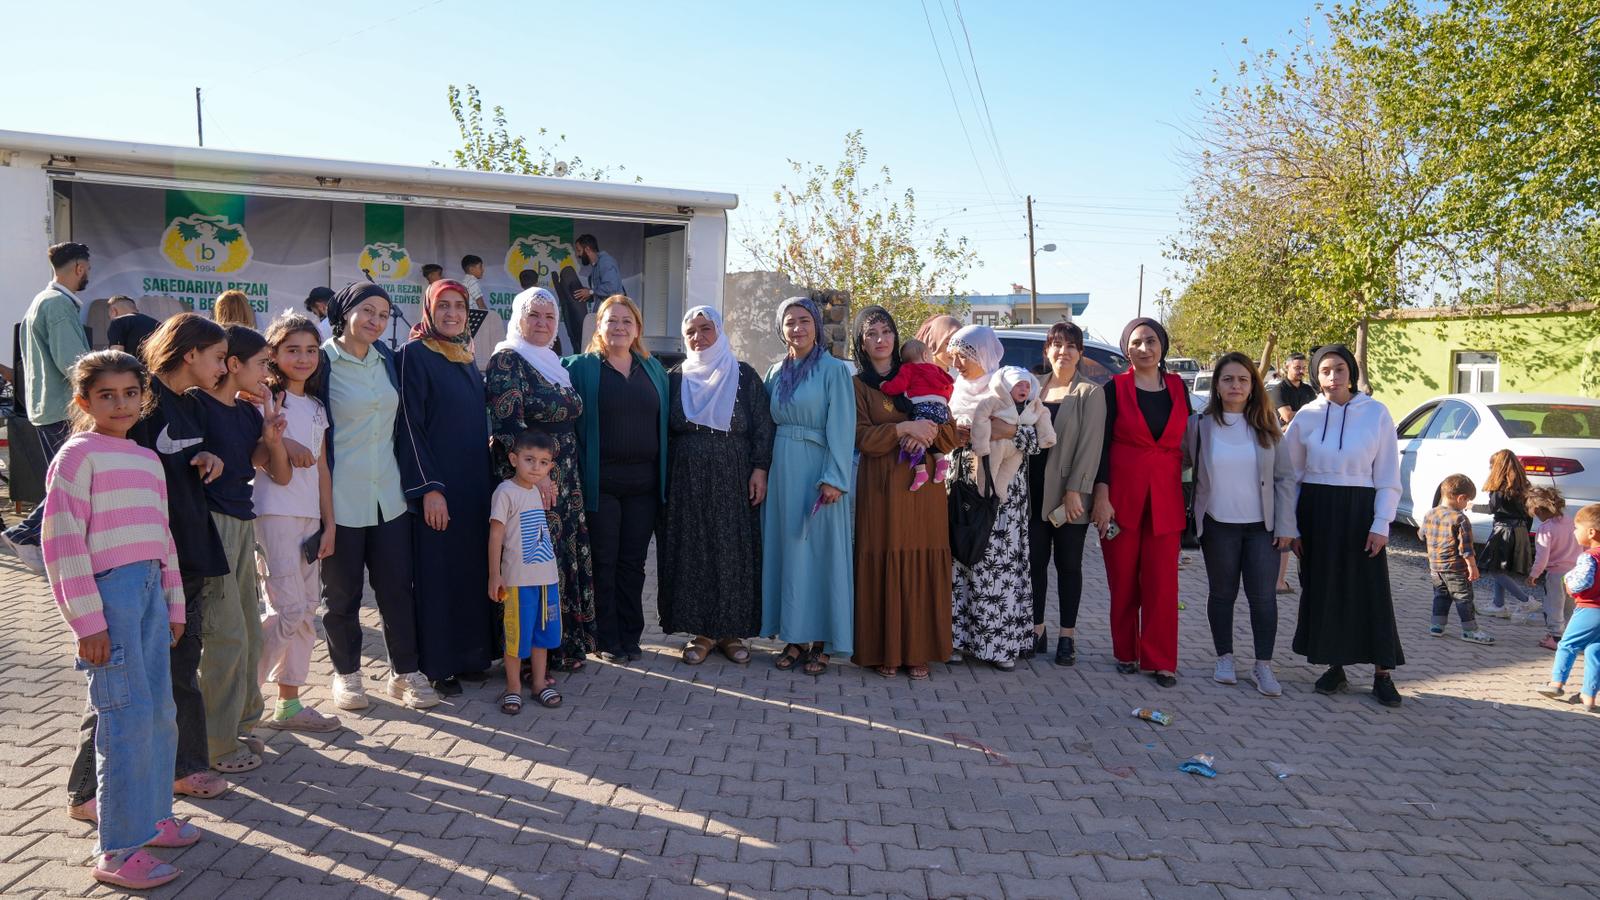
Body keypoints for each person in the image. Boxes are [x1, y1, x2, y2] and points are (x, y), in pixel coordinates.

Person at [41, 350, 203, 889]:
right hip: (109, 599)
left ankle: (154, 819)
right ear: (84, 401)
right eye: (106, 395)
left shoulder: (146, 459)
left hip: (151, 593)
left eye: (131, 393)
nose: (121, 404)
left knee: (159, 713)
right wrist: (87, 623)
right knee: (125, 721)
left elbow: (163, 538)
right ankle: (117, 848)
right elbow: (63, 544)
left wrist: (175, 604)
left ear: (144, 397)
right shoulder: (76, 458)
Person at [315, 282, 440, 711]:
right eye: (367, 311)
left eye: (384, 315)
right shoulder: (320, 362)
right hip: (340, 498)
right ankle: (346, 675)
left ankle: (405, 673)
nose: (376, 321)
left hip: (388, 496)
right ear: (345, 312)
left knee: (396, 590)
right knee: (341, 596)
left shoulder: (388, 358)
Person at [1285, 344, 1405, 707]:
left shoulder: (1376, 413)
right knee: (1325, 589)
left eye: (1339, 369)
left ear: (1350, 372)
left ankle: (1382, 674)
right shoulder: (1306, 416)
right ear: (1315, 376)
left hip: (1360, 511)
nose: (1333, 377)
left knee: (1370, 591)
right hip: (1316, 511)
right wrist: (1292, 526)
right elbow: (1289, 476)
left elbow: (1388, 474)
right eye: (1325, 371)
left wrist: (1381, 522)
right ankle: (1335, 666)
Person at [487, 287, 597, 671]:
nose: (542, 323)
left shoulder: (554, 363)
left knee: (556, 561)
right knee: (529, 564)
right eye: (533, 314)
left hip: (564, 479)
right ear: (518, 317)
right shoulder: (508, 360)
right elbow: (508, 424)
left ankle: (558, 646)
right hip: (531, 481)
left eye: (549, 317)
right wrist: (538, 478)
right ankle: (524, 656)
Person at [658, 305, 774, 666]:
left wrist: (760, 469)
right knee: (694, 550)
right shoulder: (674, 378)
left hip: (734, 473)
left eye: (706, 328)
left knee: (731, 550)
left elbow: (762, 426)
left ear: (720, 332)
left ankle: (730, 632)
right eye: (691, 331)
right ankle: (702, 633)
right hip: (687, 477)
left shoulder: (744, 375)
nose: (698, 337)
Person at [397, 280, 496, 695]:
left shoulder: (464, 355)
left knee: (470, 568)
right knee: (437, 573)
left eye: (459, 306)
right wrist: (429, 489)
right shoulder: (413, 355)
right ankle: (439, 664)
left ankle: (471, 656)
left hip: (473, 483)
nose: (452, 313)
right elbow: (409, 426)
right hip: (439, 485)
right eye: (444, 306)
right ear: (428, 310)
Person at [195, 325, 285, 773]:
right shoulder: (196, 406)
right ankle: (217, 744)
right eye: (263, 363)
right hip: (211, 529)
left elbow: (267, 466)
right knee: (225, 635)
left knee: (249, 629)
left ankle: (240, 725)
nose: (268, 372)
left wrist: (271, 434)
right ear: (233, 364)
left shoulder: (248, 413)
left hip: (241, 526)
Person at [851, 306, 959, 678]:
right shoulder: (859, 385)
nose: (880, 339)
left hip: (923, 491)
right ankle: (885, 650)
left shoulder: (919, 372)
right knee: (884, 558)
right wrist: (903, 429)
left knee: (920, 559)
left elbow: (949, 431)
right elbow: (860, 436)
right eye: (871, 334)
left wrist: (929, 430)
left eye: (886, 331)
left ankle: (918, 650)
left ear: (896, 336)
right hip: (881, 488)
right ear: (861, 343)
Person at [565, 295, 669, 663]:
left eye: (627, 321)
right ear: (599, 327)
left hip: (643, 486)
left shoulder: (654, 370)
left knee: (634, 564)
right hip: (601, 484)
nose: (620, 327)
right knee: (604, 561)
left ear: (638, 328)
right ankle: (606, 638)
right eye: (612, 320)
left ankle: (631, 634)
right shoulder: (580, 368)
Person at [1188, 353, 1300, 695]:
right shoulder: (1199, 426)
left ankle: (1263, 666)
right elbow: (1178, 464)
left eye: (1242, 379)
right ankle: (1224, 657)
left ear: (1253, 386)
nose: (1235, 385)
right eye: (1228, 379)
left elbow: (1285, 478)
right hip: (1217, 525)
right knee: (1222, 594)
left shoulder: (1268, 426)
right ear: (1217, 386)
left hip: (1262, 529)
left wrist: (1286, 526)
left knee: (1263, 598)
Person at [1090, 318, 1190, 687]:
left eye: (1151, 341)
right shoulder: (1113, 389)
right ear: (1125, 349)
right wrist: (1101, 496)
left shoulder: (1178, 388)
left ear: (1162, 346)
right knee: (1123, 580)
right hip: (1121, 497)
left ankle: (1161, 660)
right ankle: (1126, 652)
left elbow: (1190, 442)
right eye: (1136, 342)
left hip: (1166, 498)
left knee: (1162, 584)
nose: (1144, 348)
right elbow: (1100, 446)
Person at [253, 314, 340, 732]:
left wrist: (330, 524)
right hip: (274, 513)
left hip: (309, 518)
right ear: (273, 353)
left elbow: (322, 469)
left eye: (310, 350)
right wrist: (282, 441)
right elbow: (255, 454)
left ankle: (288, 704)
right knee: (286, 610)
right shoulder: (262, 399)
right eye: (293, 350)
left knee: (305, 611)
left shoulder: (318, 406)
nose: (303, 358)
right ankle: (240, 699)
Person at [762, 296, 856, 675]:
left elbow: (843, 426)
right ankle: (795, 636)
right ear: (781, 328)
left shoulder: (834, 370)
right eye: (790, 322)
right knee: (790, 553)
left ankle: (821, 639)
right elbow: (765, 426)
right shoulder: (774, 372)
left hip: (818, 471)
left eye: (804, 320)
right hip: (782, 470)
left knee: (819, 554)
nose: (797, 328)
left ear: (816, 325)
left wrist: (834, 477)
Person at [947, 325, 1041, 671]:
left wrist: (1007, 430)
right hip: (962, 486)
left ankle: (998, 646)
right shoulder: (954, 390)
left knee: (995, 567)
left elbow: (1035, 439)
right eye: (954, 355)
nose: (956, 362)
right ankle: (958, 641)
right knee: (961, 560)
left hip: (1001, 496)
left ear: (983, 355)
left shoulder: (1007, 387)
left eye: (964, 355)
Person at [3, 241, 93, 572]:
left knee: (67, 482)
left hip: (49, 408)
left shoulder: (43, 301)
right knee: (70, 483)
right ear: (79, 268)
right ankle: (25, 534)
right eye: (88, 269)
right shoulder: (56, 305)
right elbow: (74, 364)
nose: (88, 275)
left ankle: (36, 539)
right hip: (64, 410)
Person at [1028, 322, 1105, 667]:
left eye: (1072, 345)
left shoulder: (1090, 392)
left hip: (1068, 495)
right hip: (1032, 492)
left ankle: (1067, 636)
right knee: (1035, 564)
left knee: (1068, 565)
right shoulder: (1033, 387)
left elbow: (1091, 446)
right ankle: (1037, 630)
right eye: (1057, 344)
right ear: (1047, 351)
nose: (1064, 351)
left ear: (1080, 353)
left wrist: (1077, 490)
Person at [490, 430, 565, 714]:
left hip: (546, 579)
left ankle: (538, 684)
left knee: (541, 635)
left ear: (550, 467)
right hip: (518, 582)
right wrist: (494, 575)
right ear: (513, 459)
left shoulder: (536, 491)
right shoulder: (505, 492)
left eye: (543, 462)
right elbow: (495, 536)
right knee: (516, 637)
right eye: (529, 459)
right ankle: (513, 688)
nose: (536, 467)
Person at [1538, 503, 1600, 710]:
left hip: (1589, 609)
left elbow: (1582, 582)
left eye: (1577, 528)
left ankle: (1556, 683)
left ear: (1591, 532)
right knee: (1595, 652)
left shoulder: (1589, 556)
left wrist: (1568, 581)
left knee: (1567, 644)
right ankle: (1589, 696)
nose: (1574, 532)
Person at [1422, 474, 1493, 644]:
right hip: (1456, 568)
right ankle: (1470, 630)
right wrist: (1472, 567)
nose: (1466, 505)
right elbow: (1466, 548)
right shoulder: (1460, 519)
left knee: (1441, 595)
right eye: (1467, 501)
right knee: (1463, 598)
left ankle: (1437, 626)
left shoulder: (1430, 513)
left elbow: (1421, 535)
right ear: (1461, 498)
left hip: (1435, 567)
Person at [876, 337, 954, 490]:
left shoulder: (909, 369)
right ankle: (940, 461)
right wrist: (942, 400)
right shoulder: (938, 370)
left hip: (922, 407)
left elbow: (898, 386)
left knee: (915, 436)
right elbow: (950, 386)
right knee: (929, 437)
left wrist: (884, 385)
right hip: (942, 410)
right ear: (925, 355)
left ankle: (920, 471)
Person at [968, 366, 1055, 501]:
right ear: (1007, 387)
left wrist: (1047, 436)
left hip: (1016, 450)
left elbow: (1044, 414)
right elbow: (980, 418)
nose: (1024, 389)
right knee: (989, 468)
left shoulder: (1032, 405)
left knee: (1007, 472)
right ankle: (985, 492)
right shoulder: (994, 401)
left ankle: (1000, 493)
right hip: (996, 445)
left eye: (1027, 386)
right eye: (1019, 385)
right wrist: (981, 444)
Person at [1269, 352, 1314, 593]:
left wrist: (1300, 416)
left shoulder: (1308, 390)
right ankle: (1277, 579)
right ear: (1286, 367)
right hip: (1283, 455)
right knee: (1285, 516)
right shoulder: (1278, 390)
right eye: (1297, 367)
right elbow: (1287, 416)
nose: (1301, 371)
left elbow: (1318, 415)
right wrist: (1307, 414)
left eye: (1303, 367)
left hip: (1307, 457)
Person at [1479, 449, 1537, 618]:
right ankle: (1498, 605)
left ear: (1497, 467)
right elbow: (1529, 514)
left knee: (1495, 569)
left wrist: (1471, 506)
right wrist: (1524, 534)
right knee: (1500, 569)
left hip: (1504, 531)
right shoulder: (1524, 486)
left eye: (1492, 465)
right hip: (1520, 530)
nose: (1490, 468)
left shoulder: (1499, 487)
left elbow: (1492, 508)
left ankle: (1526, 601)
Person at [1527, 487, 1580, 651]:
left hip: (1557, 574)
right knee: (1571, 606)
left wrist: (1534, 574)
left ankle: (1556, 637)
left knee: (1553, 606)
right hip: (1575, 572)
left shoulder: (1545, 528)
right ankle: (1571, 635)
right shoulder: (1572, 522)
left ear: (1537, 510)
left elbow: (1542, 556)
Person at [572, 234, 625, 306]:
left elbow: (611, 287)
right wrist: (587, 294)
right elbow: (601, 294)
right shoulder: (596, 267)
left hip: (614, 310)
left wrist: (590, 292)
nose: (578, 255)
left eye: (579, 251)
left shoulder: (605, 262)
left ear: (587, 249)